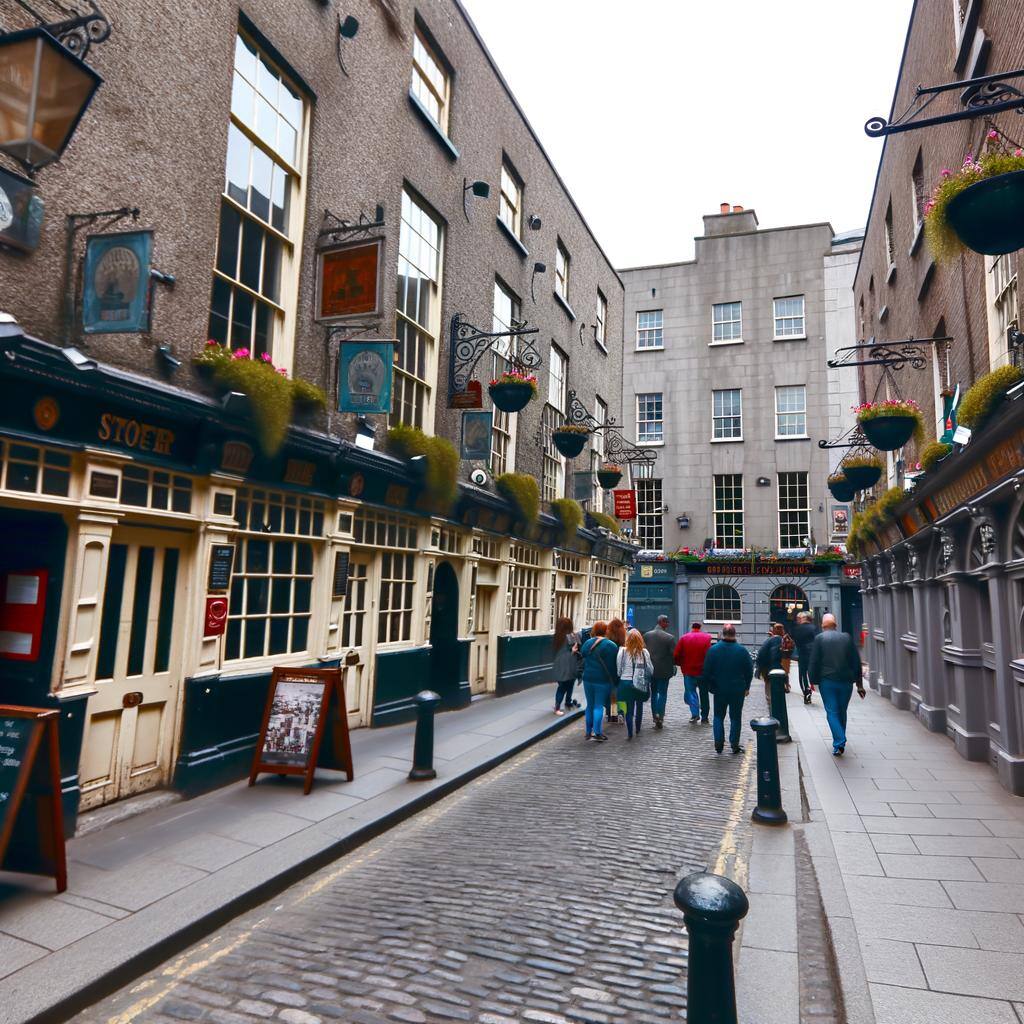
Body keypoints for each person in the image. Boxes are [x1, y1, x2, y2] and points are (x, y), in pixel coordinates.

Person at [808, 613, 864, 756]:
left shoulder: (819, 639)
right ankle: (839, 743)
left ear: (822, 626)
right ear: (836, 625)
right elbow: (856, 662)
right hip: (846, 682)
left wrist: (813, 681)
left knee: (832, 712)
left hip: (828, 682)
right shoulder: (847, 638)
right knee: (842, 711)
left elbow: (814, 662)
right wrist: (859, 685)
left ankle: (839, 741)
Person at [702, 623, 753, 755]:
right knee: (735, 717)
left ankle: (719, 744)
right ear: (734, 634)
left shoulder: (713, 650)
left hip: (719, 689)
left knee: (718, 716)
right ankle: (734, 745)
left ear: (722, 634)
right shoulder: (742, 651)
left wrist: (709, 686)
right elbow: (749, 671)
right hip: (737, 690)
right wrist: (747, 686)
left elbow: (706, 671)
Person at [581, 620, 618, 742]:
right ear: (606, 630)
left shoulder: (587, 643)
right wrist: (615, 680)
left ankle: (587, 732)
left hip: (587, 678)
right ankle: (597, 732)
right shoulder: (611, 645)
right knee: (598, 706)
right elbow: (613, 666)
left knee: (589, 706)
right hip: (602, 680)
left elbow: (583, 656)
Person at [616, 629, 653, 739]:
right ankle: (637, 728)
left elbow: (619, 669)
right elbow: (650, 669)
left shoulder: (622, 651)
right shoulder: (644, 652)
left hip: (625, 682)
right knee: (640, 705)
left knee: (628, 708)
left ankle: (629, 733)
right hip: (640, 682)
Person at [674, 622, 713, 723]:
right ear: (700, 628)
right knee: (704, 694)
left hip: (688, 670)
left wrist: (680, 664)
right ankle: (704, 716)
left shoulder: (684, 638)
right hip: (703, 671)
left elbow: (677, 654)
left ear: (692, 627)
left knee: (691, 692)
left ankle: (695, 714)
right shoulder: (707, 638)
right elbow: (709, 655)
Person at [643, 615, 677, 728]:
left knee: (654, 693)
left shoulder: (647, 635)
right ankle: (660, 716)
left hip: (651, 669)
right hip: (664, 670)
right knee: (662, 693)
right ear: (662, 622)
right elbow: (674, 655)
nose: (668, 624)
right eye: (667, 622)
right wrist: (674, 666)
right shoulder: (669, 638)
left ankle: (655, 716)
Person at [551, 616, 581, 716]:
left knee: (562, 686)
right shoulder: (571, 636)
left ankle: (565, 703)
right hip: (570, 664)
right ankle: (558, 707)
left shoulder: (556, 637)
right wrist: (573, 651)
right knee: (567, 685)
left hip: (558, 664)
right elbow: (576, 648)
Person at [792, 612, 819, 704]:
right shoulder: (814, 628)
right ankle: (813, 686)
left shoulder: (796, 629)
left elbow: (794, 640)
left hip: (802, 654)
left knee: (803, 674)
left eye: (799, 618)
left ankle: (806, 691)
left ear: (803, 619)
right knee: (812, 672)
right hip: (812, 654)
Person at [606, 617, 628, 722]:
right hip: (622, 670)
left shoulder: (608, 641)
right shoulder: (623, 641)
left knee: (612, 693)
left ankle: (612, 714)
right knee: (622, 693)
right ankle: (621, 713)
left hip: (610, 669)